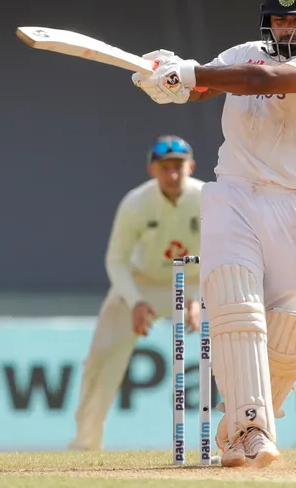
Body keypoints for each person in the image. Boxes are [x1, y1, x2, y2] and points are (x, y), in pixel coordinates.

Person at [131, 0, 296, 468]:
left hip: (294, 204)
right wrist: (167, 78)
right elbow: (201, 88)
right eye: (280, 20)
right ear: (266, 22)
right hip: (233, 195)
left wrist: (190, 74)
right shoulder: (243, 52)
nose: (289, 30)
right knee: (235, 308)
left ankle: (237, 426)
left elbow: (258, 82)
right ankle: (251, 431)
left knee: (287, 328)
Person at [69, 135, 203, 451]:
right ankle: (85, 443)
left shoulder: (207, 197)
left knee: (231, 339)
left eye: (179, 167)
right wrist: (135, 301)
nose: (172, 175)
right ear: (152, 169)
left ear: (191, 166)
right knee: (101, 357)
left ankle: (242, 436)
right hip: (141, 283)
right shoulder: (136, 203)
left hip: (195, 280)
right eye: (165, 167)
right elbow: (116, 259)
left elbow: (225, 250)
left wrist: (200, 298)